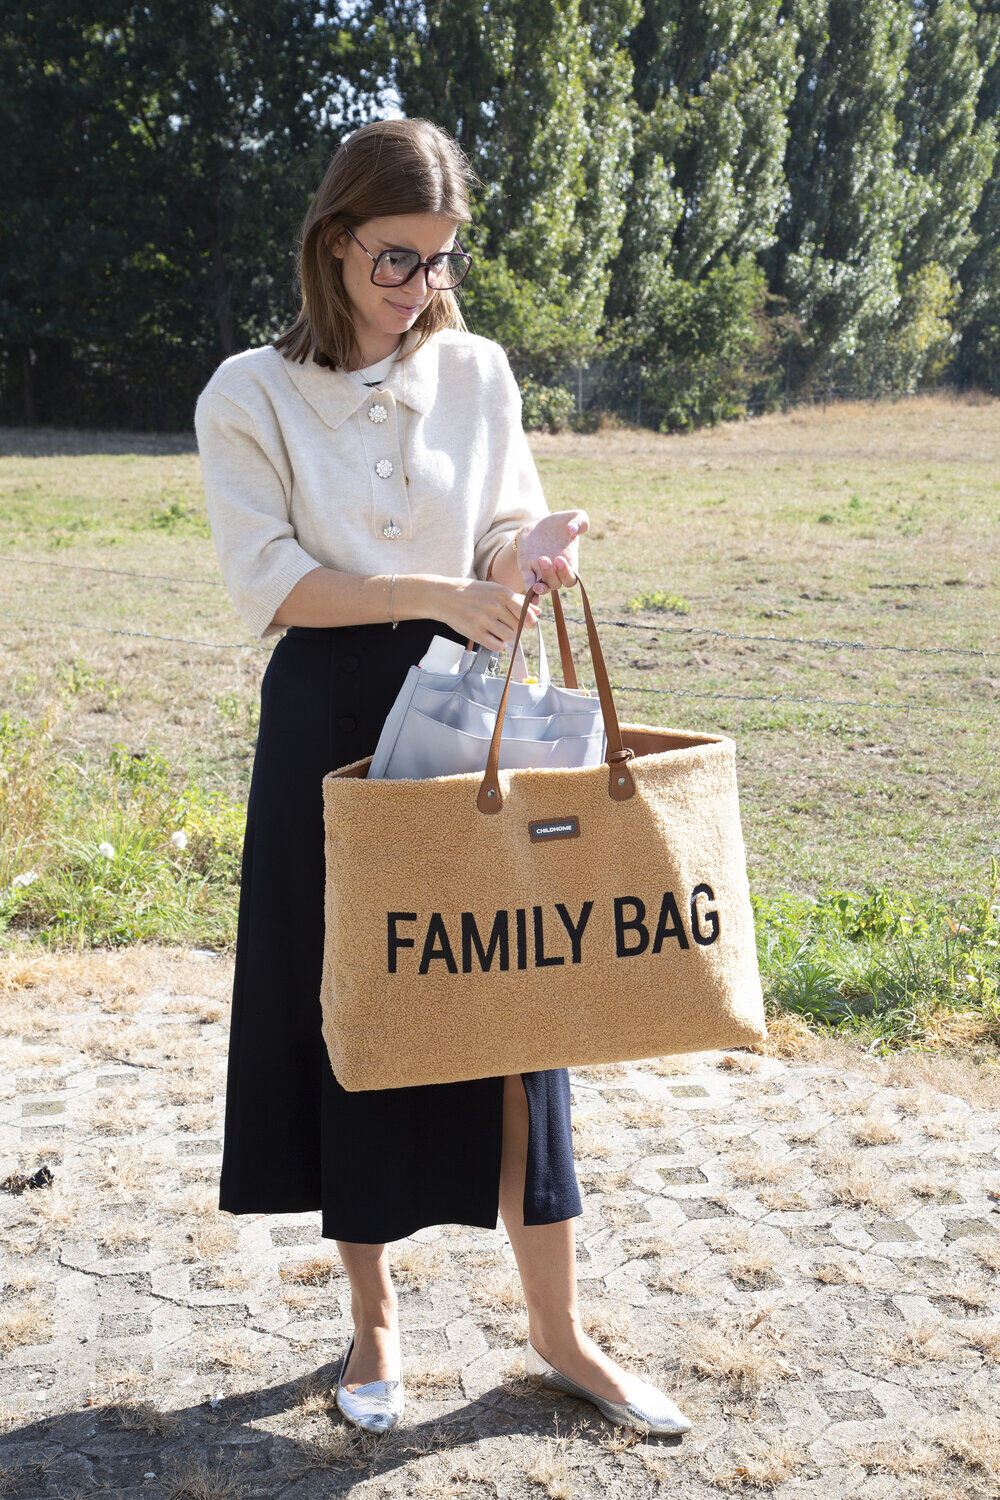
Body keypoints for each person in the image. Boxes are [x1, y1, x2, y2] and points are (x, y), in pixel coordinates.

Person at [193, 116, 691, 1440]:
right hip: (331, 715)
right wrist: (441, 593)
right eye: (396, 259)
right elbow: (275, 583)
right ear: (335, 241)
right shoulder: (245, 393)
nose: (420, 286)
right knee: (362, 1010)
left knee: (525, 1014)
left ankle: (561, 1333)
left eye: (441, 259)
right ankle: (373, 1323)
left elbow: (502, 515)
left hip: (478, 709)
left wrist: (534, 548)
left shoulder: (478, 370)